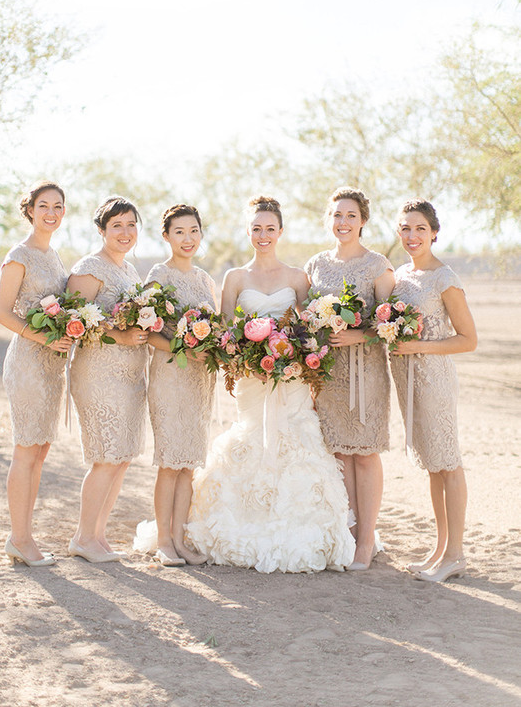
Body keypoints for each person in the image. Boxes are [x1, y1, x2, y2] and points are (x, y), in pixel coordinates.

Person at [185, 196, 355, 573]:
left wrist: (291, 358)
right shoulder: (234, 278)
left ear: (280, 232)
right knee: (250, 439)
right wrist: (245, 354)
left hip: (290, 379)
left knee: (296, 442)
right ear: (248, 232)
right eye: (256, 228)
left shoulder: (297, 277)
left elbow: (311, 332)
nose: (263, 235)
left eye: (270, 228)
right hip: (250, 379)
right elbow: (225, 333)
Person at [305, 187, 394, 571]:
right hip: (328, 373)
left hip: (366, 370)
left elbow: (391, 323)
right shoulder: (315, 265)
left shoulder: (378, 266)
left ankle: (367, 540)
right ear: (329, 219)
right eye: (337, 216)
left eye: (351, 216)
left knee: (365, 451)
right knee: (340, 453)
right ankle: (349, 532)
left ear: (363, 221)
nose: (343, 223)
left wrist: (359, 334)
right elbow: (306, 316)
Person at [390, 199, 477, 582]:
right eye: (406, 228)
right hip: (408, 380)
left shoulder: (445, 278)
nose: (412, 236)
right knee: (432, 466)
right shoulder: (400, 277)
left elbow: (468, 340)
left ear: (434, 233)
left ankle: (456, 554)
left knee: (448, 461)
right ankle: (440, 547)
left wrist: (420, 346)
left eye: (420, 228)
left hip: (436, 379)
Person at [133, 204, 217, 566]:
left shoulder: (203, 279)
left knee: (189, 463)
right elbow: (146, 332)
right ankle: (164, 541)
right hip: (169, 375)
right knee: (169, 461)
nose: (188, 239)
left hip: (200, 380)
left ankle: (181, 539)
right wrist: (184, 348)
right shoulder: (158, 275)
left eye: (194, 231)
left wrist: (212, 348)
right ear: (166, 236)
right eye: (179, 232)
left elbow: (214, 329)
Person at [68, 196, 149, 563]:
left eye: (131, 224)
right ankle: (83, 536)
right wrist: (120, 336)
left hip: (131, 373)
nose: (125, 232)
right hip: (98, 372)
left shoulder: (131, 270)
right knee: (104, 456)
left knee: (121, 457)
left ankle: (98, 535)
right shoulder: (90, 267)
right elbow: (74, 320)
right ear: (102, 230)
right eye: (117, 225)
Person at [0, 180, 72, 566]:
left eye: (58, 206)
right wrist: (42, 339)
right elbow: (3, 313)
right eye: (44, 205)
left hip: (52, 365)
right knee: (26, 448)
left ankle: (23, 535)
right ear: (30, 210)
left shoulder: (56, 256)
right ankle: (20, 539)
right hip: (27, 360)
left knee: (40, 451)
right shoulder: (19, 254)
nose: (51, 212)